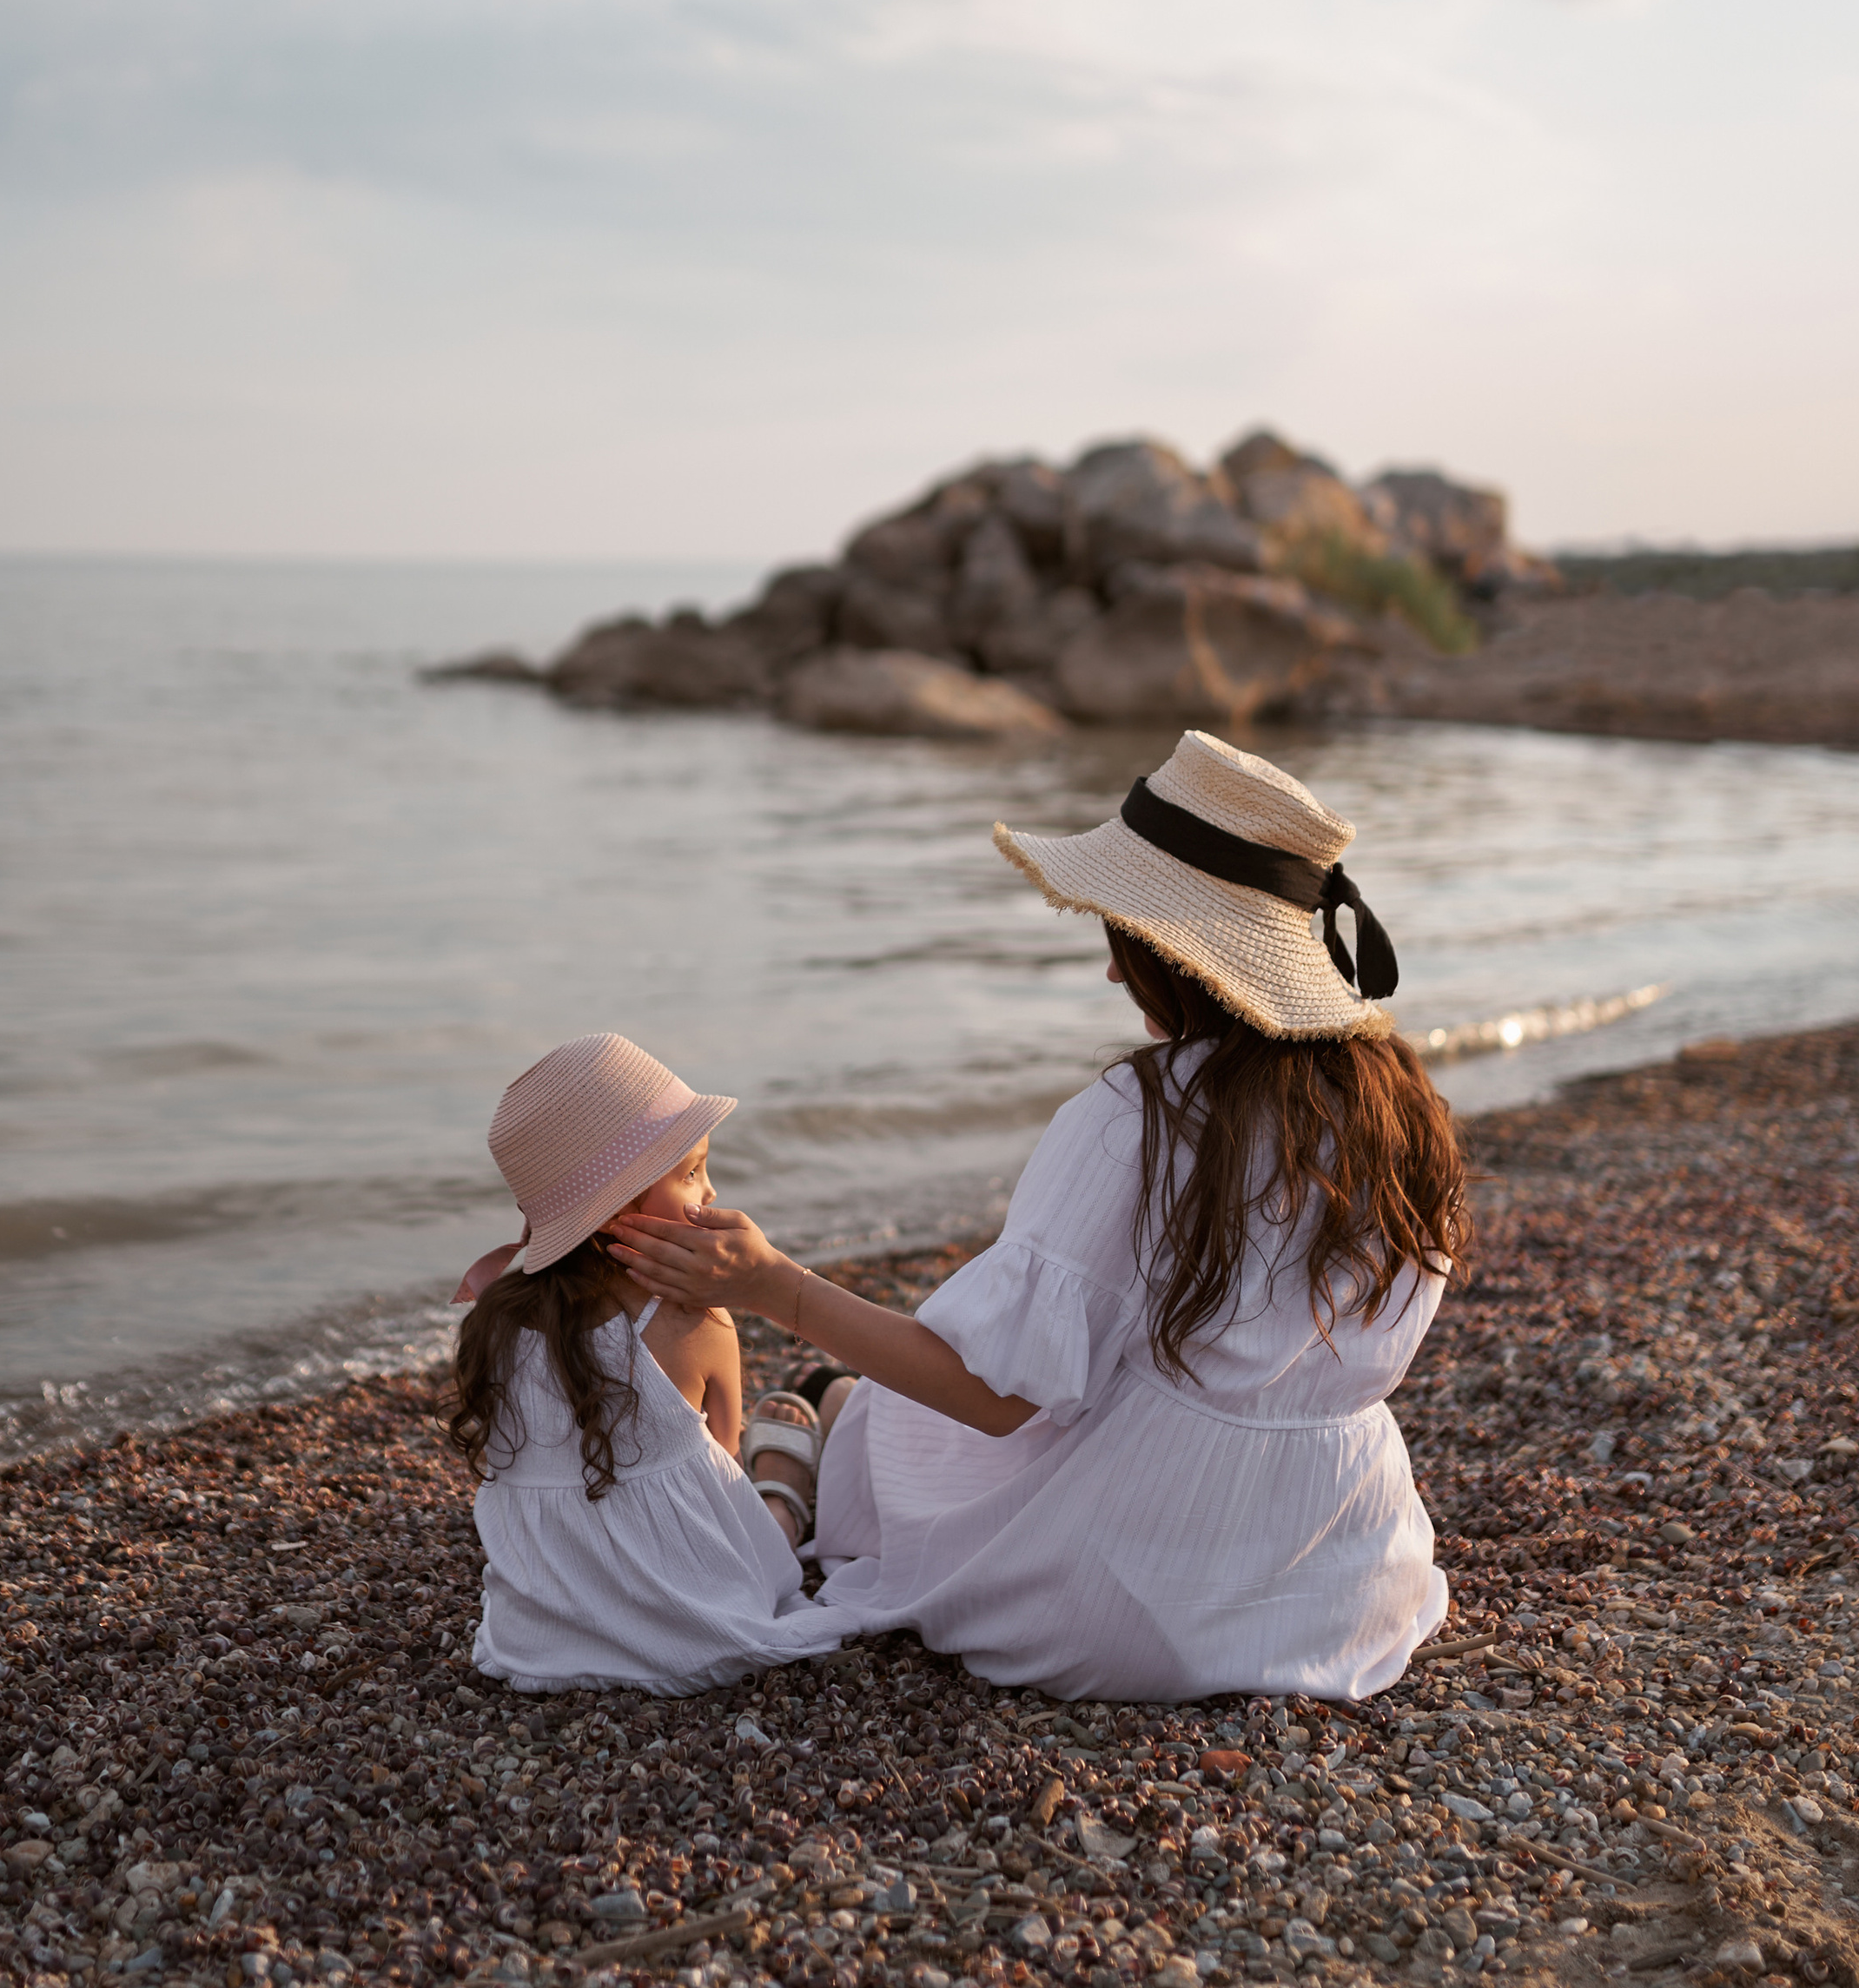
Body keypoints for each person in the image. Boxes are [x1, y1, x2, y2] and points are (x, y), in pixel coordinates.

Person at [611, 730, 1468, 1705]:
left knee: (901, 1428)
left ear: (1171, 952)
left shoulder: (1142, 1118)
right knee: (961, 1400)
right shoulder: (1395, 1103)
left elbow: (993, 1398)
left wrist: (772, 1286)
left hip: (1129, 1596)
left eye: (1119, 936)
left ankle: (806, 1440)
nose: (1111, 973)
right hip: (1339, 1573)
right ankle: (828, 1412)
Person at [448, 1032, 849, 1694]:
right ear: (617, 1211)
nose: (711, 1191)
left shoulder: (495, 1323)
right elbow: (721, 1489)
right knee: (758, 1513)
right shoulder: (699, 1322)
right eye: (691, 1172)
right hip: (691, 1631)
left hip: (538, 1637)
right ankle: (787, 1501)